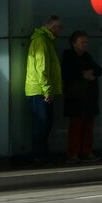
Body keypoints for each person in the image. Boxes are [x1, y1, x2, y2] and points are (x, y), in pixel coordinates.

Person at [24, 15, 63, 164]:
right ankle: (40, 156)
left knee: (44, 124)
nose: (61, 30)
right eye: (60, 27)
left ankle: (42, 155)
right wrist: (47, 90)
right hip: (39, 90)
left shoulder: (44, 40)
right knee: (42, 124)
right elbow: (41, 69)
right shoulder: (42, 41)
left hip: (39, 89)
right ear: (53, 28)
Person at [61, 30, 102, 164]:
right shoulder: (68, 56)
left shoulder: (87, 56)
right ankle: (73, 153)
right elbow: (67, 72)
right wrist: (82, 74)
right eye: (82, 42)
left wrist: (89, 72)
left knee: (88, 127)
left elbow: (99, 70)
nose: (85, 45)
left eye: (86, 42)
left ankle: (86, 152)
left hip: (89, 99)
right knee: (76, 127)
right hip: (76, 98)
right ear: (74, 44)